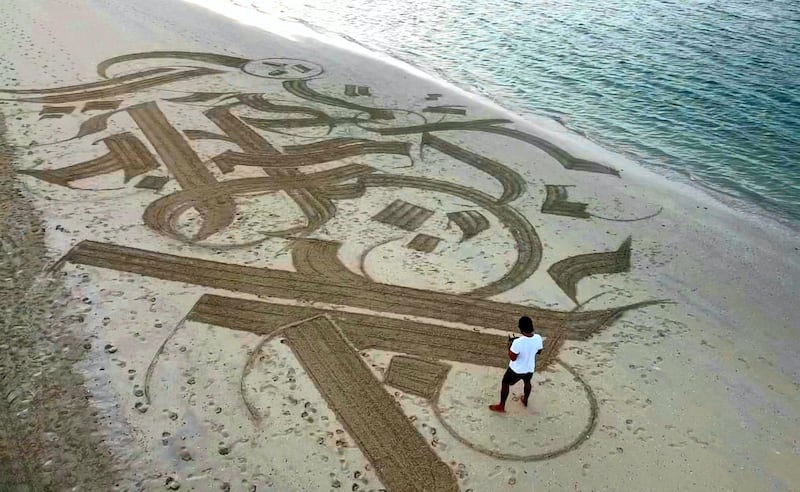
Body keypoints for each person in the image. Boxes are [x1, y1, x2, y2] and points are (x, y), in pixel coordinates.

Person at [489, 316, 543, 413]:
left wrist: (509, 347)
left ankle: (501, 406)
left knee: (505, 383)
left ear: (520, 328)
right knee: (527, 383)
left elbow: (513, 358)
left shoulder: (517, 342)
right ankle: (525, 400)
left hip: (516, 370)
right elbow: (539, 351)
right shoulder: (538, 338)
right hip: (530, 368)